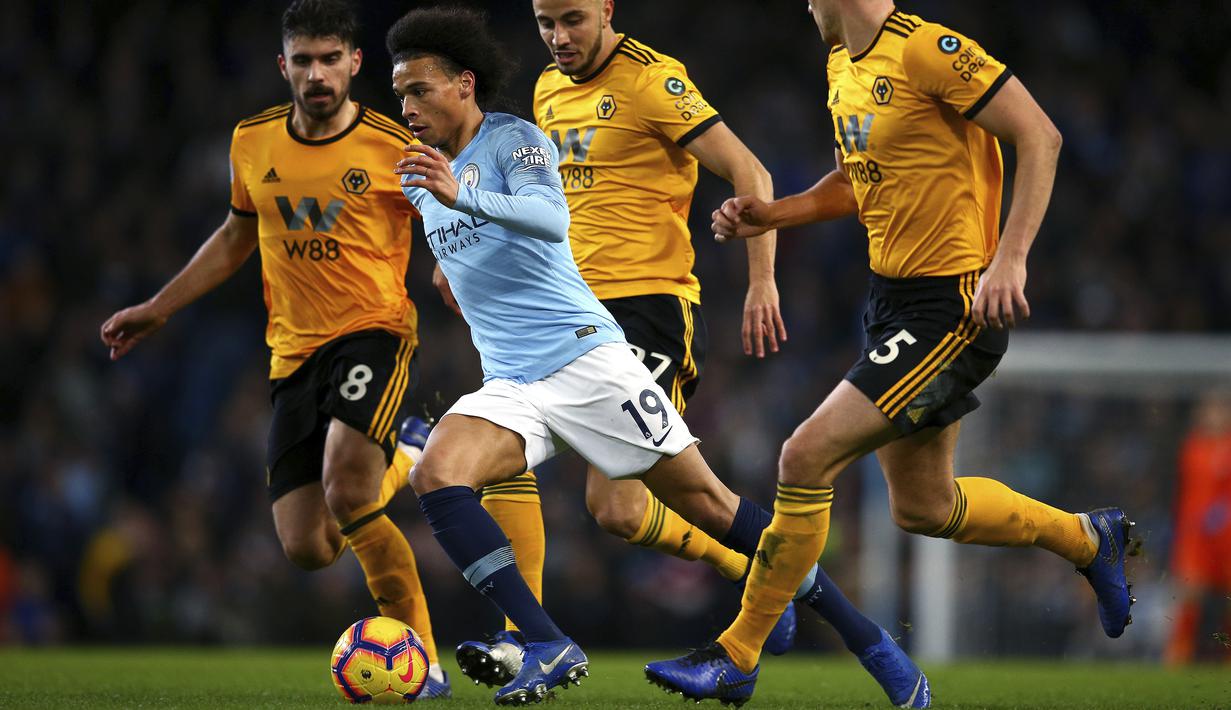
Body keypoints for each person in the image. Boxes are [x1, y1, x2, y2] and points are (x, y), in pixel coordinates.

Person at [386, 5, 926, 706]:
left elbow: (550, 217)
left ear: (463, 84)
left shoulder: (522, 135)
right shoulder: (435, 163)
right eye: (398, 94)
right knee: (440, 474)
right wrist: (450, 258)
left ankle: (868, 640)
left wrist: (762, 279)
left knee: (705, 504)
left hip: (599, 349)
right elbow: (485, 239)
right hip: (514, 376)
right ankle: (541, 640)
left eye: (419, 89)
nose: (406, 106)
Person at [645, 1, 1137, 704]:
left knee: (803, 455)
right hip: (891, 303)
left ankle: (737, 653)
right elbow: (858, 181)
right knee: (924, 506)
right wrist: (773, 213)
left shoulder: (927, 50)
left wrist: (1010, 259)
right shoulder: (842, 63)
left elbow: (1041, 136)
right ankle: (1090, 540)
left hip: (954, 305)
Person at [98, 0, 451, 697]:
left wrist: (448, 260)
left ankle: (423, 661)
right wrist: (158, 307)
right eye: (303, 60)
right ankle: (408, 451)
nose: (316, 74)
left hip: (373, 331)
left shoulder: (392, 145)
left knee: (347, 489)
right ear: (282, 65)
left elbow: (444, 216)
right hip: (291, 354)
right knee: (308, 547)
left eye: (330, 60)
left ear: (353, 64)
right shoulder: (252, 140)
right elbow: (236, 234)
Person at [1166, 392, 1231, 664]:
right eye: (1208, 411)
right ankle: (1177, 654)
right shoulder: (1192, 447)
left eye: (1218, 411)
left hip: (1227, 535)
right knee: (1190, 594)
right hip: (1195, 534)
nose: (1212, 416)